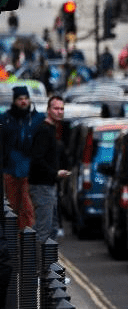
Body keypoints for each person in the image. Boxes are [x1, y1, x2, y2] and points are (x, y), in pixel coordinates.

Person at [28, 96, 71, 244]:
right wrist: (55, 173)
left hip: (49, 186)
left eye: (62, 109)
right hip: (42, 187)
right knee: (44, 232)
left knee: (51, 229)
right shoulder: (44, 131)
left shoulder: (52, 130)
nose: (59, 112)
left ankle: (47, 265)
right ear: (48, 110)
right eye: (56, 108)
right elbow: (37, 159)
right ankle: (41, 266)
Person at [1, 87, 44, 230]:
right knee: (12, 207)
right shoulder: (5, 119)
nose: (24, 101)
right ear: (15, 101)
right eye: (20, 99)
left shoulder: (37, 118)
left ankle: (27, 241)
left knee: (27, 207)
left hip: (30, 170)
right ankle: (14, 241)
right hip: (10, 170)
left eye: (26, 98)